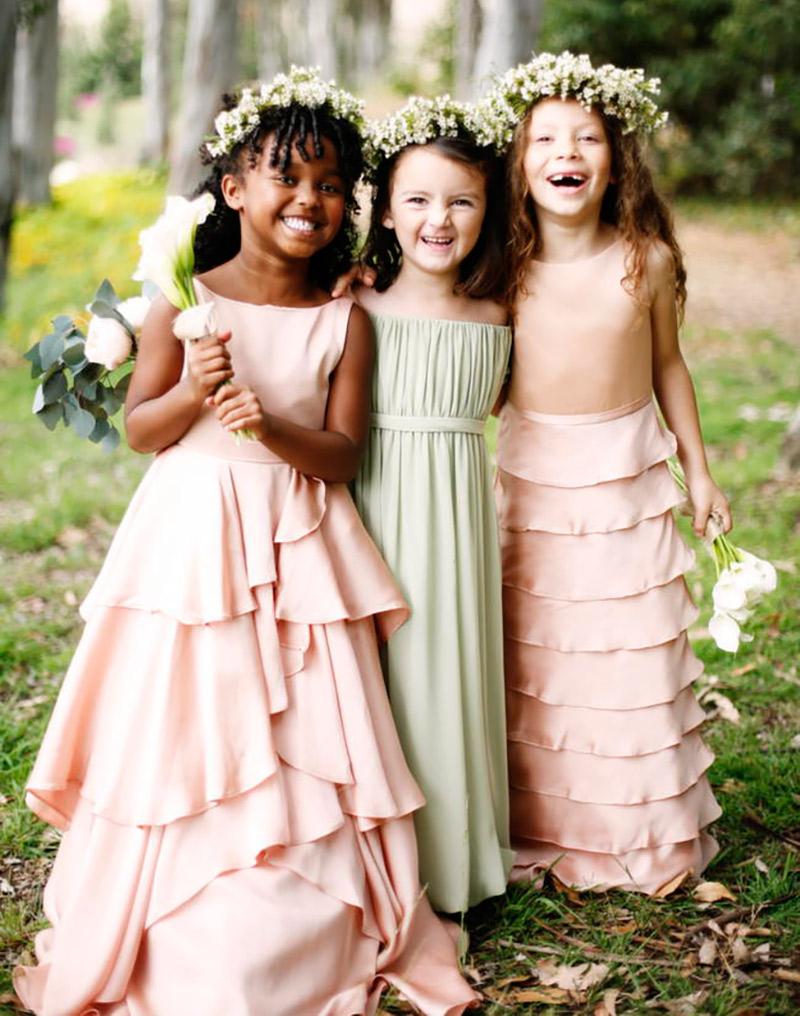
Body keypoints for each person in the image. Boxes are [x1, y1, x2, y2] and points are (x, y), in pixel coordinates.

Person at [14, 70, 479, 1016]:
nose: (310, 200)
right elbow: (145, 429)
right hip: (189, 544)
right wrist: (195, 386)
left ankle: (297, 902)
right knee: (186, 714)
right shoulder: (180, 303)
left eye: (331, 183)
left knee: (304, 729)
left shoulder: (345, 317)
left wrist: (266, 426)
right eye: (286, 178)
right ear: (233, 189)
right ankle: (179, 885)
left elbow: (345, 456)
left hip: (299, 542)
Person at [487, 52, 731, 894]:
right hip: (537, 481)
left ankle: (642, 834)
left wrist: (699, 470)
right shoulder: (500, 270)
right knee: (544, 652)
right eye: (546, 138)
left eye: (587, 137)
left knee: (625, 649)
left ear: (615, 159)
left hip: (625, 475)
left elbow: (669, 366)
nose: (568, 151)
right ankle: (544, 824)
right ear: (519, 164)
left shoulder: (646, 258)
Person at [351, 97, 515, 914]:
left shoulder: (501, 312)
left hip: (455, 521)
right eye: (417, 199)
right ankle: (368, 865)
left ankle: (449, 866)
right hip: (372, 506)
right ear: (385, 209)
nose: (438, 219)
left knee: (445, 672)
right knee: (376, 679)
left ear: (488, 209)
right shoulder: (356, 305)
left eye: (461, 200)